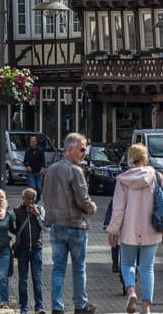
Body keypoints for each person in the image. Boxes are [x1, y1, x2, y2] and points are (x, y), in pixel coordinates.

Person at [107, 143, 163, 314]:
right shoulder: (157, 176)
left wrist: (112, 230)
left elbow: (118, 209)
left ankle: (132, 292)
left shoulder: (122, 180)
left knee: (127, 264)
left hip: (128, 230)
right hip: (152, 228)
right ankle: (146, 307)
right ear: (144, 158)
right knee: (147, 268)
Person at [42, 132, 98, 314]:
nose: (85, 153)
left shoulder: (50, 169)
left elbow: (45, 196)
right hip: (75, 225)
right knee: (78, 267)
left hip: (56, 225)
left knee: (58, 267)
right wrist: (92, 207)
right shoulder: (76, 170)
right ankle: (80, 305)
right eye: (82, 149)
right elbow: (83, 199)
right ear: (71, 149)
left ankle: (57, 307)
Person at [12, 186, 46, 314]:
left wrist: (37, 215)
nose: (30, 201)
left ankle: (39, 306)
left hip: (36, 249)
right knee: (23, 280)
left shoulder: (40, 209)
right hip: (22, 250)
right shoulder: (16, 211)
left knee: (37, 279)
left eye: (33, 199)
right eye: (28, 198)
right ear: (23, 198)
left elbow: (46, 228)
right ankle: (24, 306)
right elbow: (13, 228)